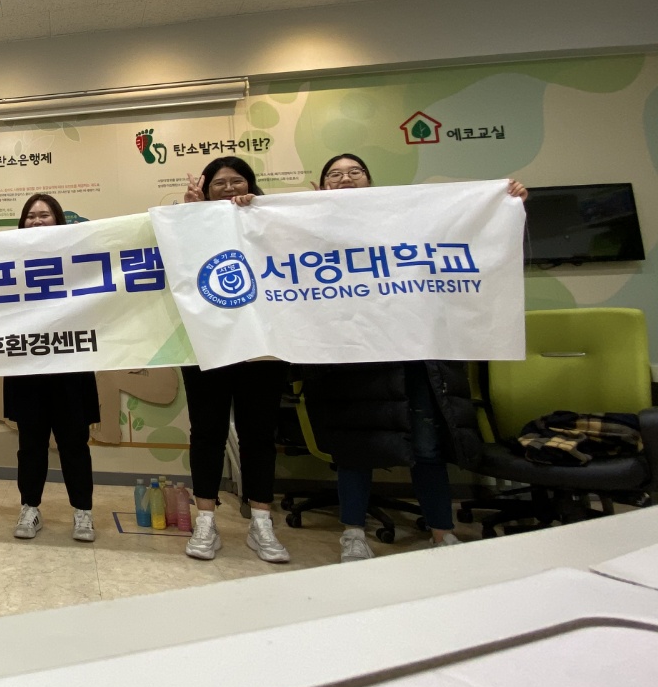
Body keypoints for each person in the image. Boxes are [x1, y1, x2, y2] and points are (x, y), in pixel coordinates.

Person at [303, 154, 527, 562]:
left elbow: (477, 243)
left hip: (416, 356)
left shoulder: (408, 218)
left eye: (354, 172)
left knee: (427, 447)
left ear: (371, 181)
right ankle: (353, 532)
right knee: (355, 449)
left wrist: (505, 205)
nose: (345, 178)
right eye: (334, 174)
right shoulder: (309, 227)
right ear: (321, 187)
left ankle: (442, 532)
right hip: (352, 359)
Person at [178, 157, 290, 563]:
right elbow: (177, 265)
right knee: (206, 434)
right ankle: (205, 520)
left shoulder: (269, 220)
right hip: (206, 344)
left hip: (261, 346)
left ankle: (261, 522)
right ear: (206, 190)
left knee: (258, 435)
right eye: (219, 183)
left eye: (236, 181)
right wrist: (193, 215)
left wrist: (260, 214)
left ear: (251, 185)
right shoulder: (189, 222)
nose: (228, 188)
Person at [4, 193, 100, 542]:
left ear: (58, 220)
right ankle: (30, 507)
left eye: (44, 215)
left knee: (75, 444)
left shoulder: (76, 257)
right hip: (27, 365)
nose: (36, 221)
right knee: (30, 445)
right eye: (30, 216)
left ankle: (83, 512)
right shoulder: (8, 259)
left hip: (70, 366)